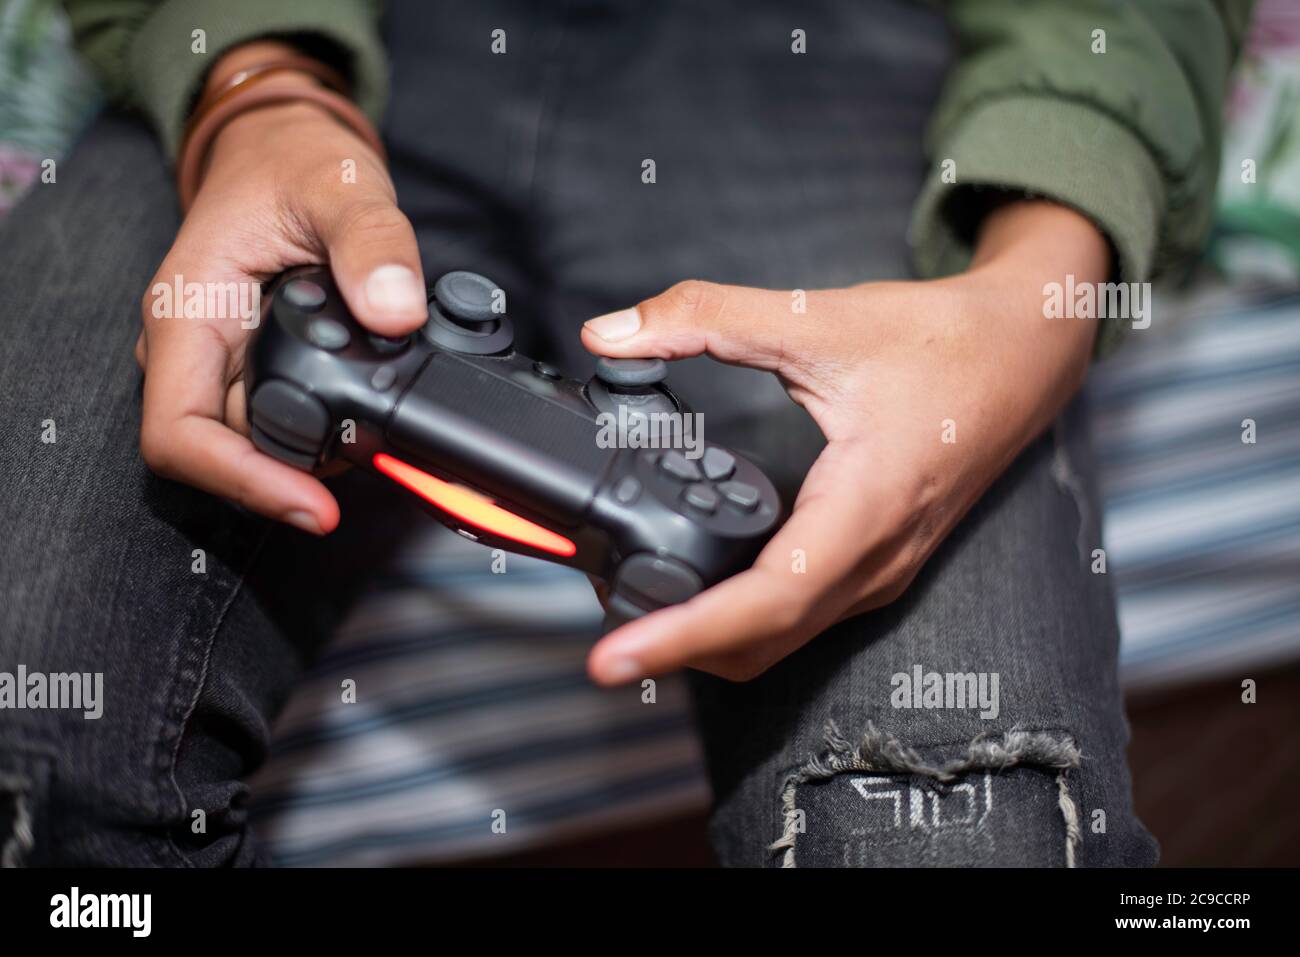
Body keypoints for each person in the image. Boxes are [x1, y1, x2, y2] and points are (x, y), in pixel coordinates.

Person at [0, 0, 1249, 867]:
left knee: (953, 815)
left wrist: (1035, 289)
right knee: (32, 765)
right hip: (327, 46)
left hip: (835, 62)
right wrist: (246, 81)